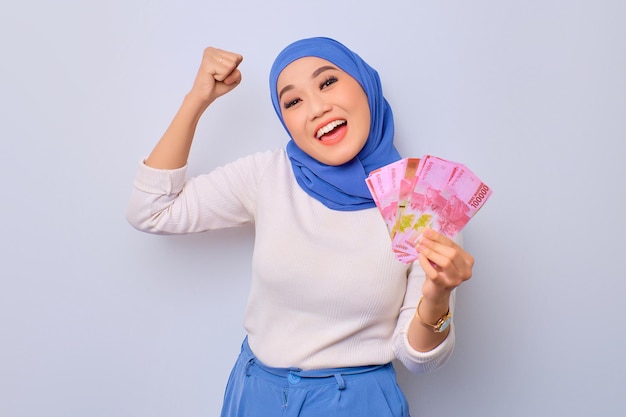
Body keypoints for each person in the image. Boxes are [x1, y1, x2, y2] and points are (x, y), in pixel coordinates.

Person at [126, 37, 474, 417]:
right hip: (255, 395)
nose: (318, 108)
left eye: (328, 82)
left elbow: (418, 360)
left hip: (357, 403)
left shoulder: (420, 200)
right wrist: (197, 99)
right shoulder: (270, 174)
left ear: (366, 85)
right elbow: (151, 210)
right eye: (293, 101)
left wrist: (438, 294)